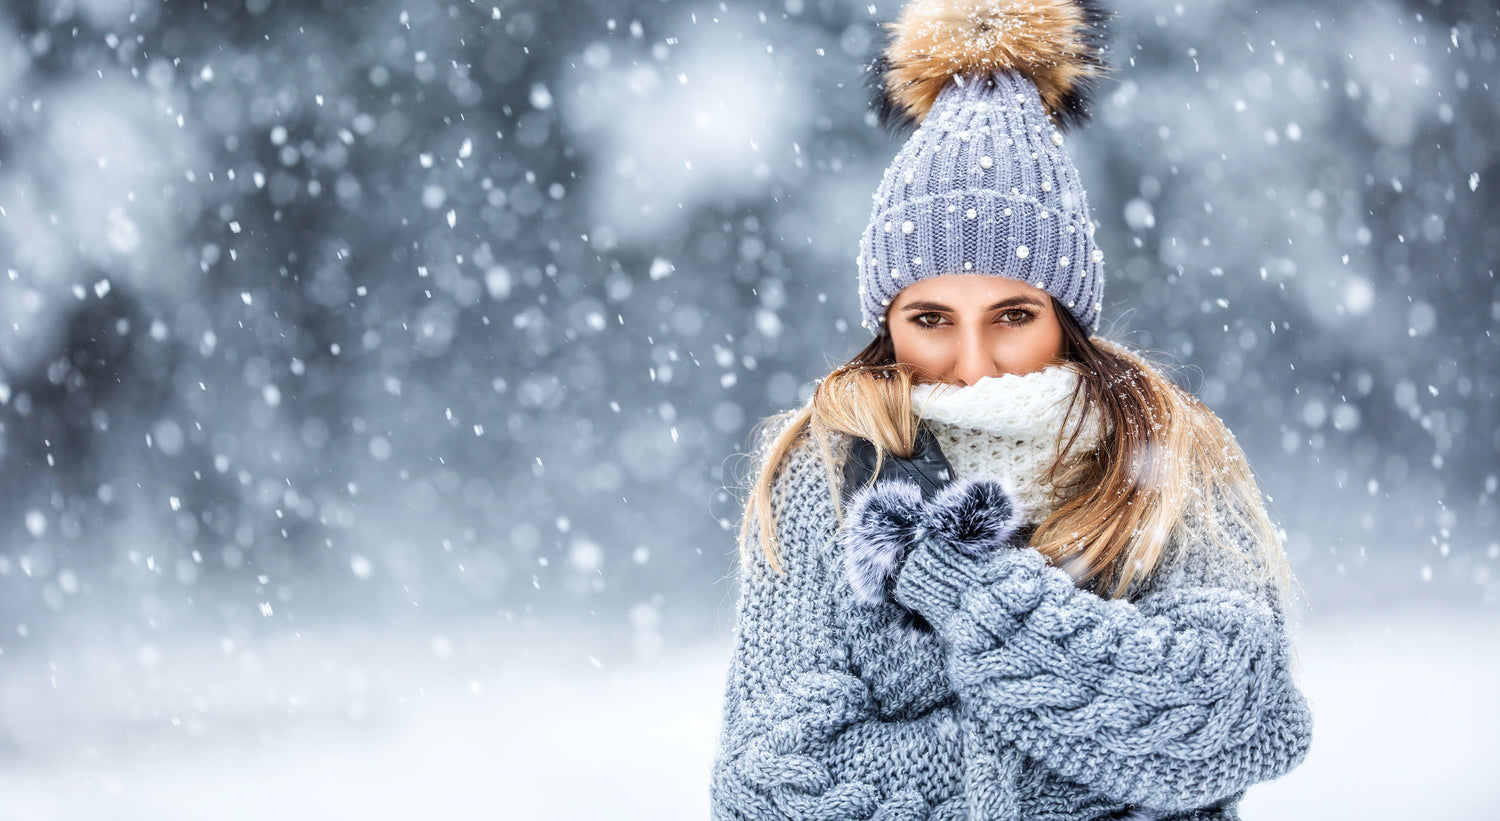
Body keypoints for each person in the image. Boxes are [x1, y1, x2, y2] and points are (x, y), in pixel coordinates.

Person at [709, 1, 1313, 819]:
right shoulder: (828, 470)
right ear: (886, 321)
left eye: (1013, 316)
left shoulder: (1170, 455)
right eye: (930, 320)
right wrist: (1110, 768)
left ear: (1066, 315)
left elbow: (1229, 711)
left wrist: (969, 590)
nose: (971, 363)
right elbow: (766, 787)